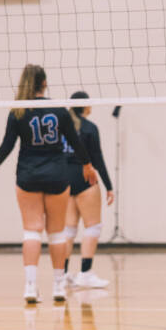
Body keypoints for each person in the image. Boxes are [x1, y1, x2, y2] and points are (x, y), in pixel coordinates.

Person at [0, 65, 97, 304]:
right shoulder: (58, 110)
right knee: (56, 233)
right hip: (57, 174)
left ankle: (30, 286)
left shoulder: (18, 110)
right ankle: (58, 286)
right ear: (44, 83)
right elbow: (75, 142)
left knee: (31, 231)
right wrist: (87, 165)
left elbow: (7, 145)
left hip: (28, 175)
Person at [62, 91, 115, 288]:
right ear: (84, 106)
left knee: (68, 230)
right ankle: (85, 273)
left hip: (64, 181)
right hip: (85, 179)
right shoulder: (90, 128)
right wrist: (109, 186)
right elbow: (97, 160)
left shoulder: (61, 127)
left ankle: (64, 275)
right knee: (92, 226)